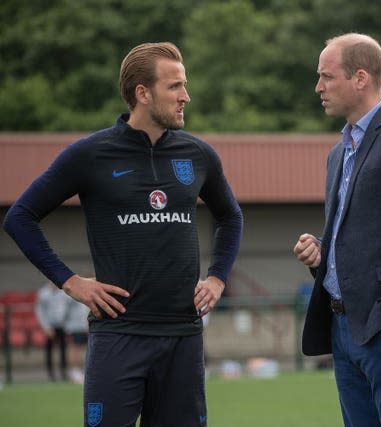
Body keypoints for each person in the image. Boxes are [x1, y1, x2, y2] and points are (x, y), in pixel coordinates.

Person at [3, 42, 243, 427]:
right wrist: (70, 282)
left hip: (183, 335)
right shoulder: (89, 155)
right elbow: (20, 217)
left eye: (185, 85)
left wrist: (217, 277)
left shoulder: (199, 155)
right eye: (175, 86)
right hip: (119, 335)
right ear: (142, 93)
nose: (186, 96)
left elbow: (230, 217)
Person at [293, 33, 381, 427]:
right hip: (344, 327)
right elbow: (363, 235)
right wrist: (323, 253)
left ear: (360, 78)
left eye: (326, 76)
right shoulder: (338, 150)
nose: (318, 87)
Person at [35, 282, 70, 381]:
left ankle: (63, 372)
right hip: (50, 326)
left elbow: (67, 307)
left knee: (63, 350)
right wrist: (46, 327)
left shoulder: (63, 292)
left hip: (62, 325)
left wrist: (66, 322)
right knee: (49, 350)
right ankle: (50, 373)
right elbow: (40, 311)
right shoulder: (43, 293)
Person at [64, 296, 90, 384]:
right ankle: (74, 371)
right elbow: (65, 309)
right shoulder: (70, 291)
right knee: (74, 347)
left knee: (84, 348)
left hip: (84, 326)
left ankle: (82, 370)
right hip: (74, 326)